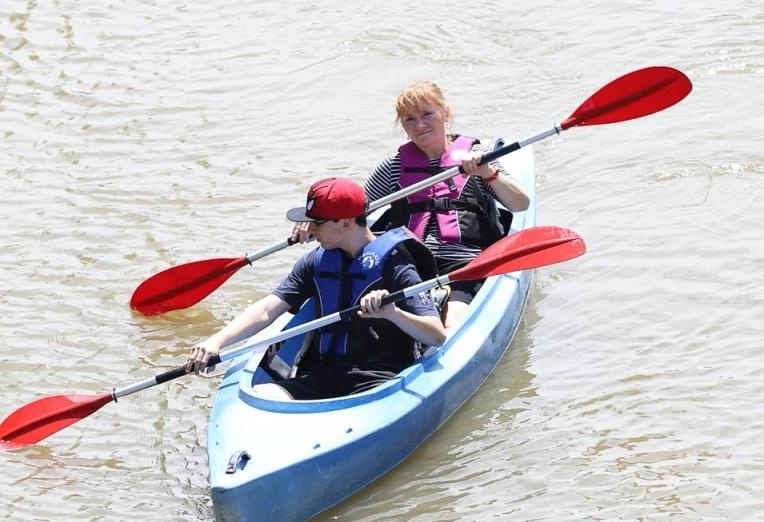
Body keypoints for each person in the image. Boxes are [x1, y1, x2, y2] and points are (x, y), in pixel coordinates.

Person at [187, 177, 447, 400]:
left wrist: (392, 313)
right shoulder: (317, 260)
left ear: (344, 223)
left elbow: (436, 336)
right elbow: (269, 308)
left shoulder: (396, 264)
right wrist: (216, 341)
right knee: (266, 396)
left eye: (317, 223)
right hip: (322, 375)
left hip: (381, 380)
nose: (309, 230)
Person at [363, 80, 531, 328]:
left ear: (445, 113)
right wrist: (313, 222)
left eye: (427, 114)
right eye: (409, 119)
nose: (419, 124)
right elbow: (353, 208)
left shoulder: (475, 156)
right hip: (410, 266)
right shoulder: (393, 166)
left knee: (452, 325)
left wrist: (487, 173)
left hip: (466, 266)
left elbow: (520, 204)